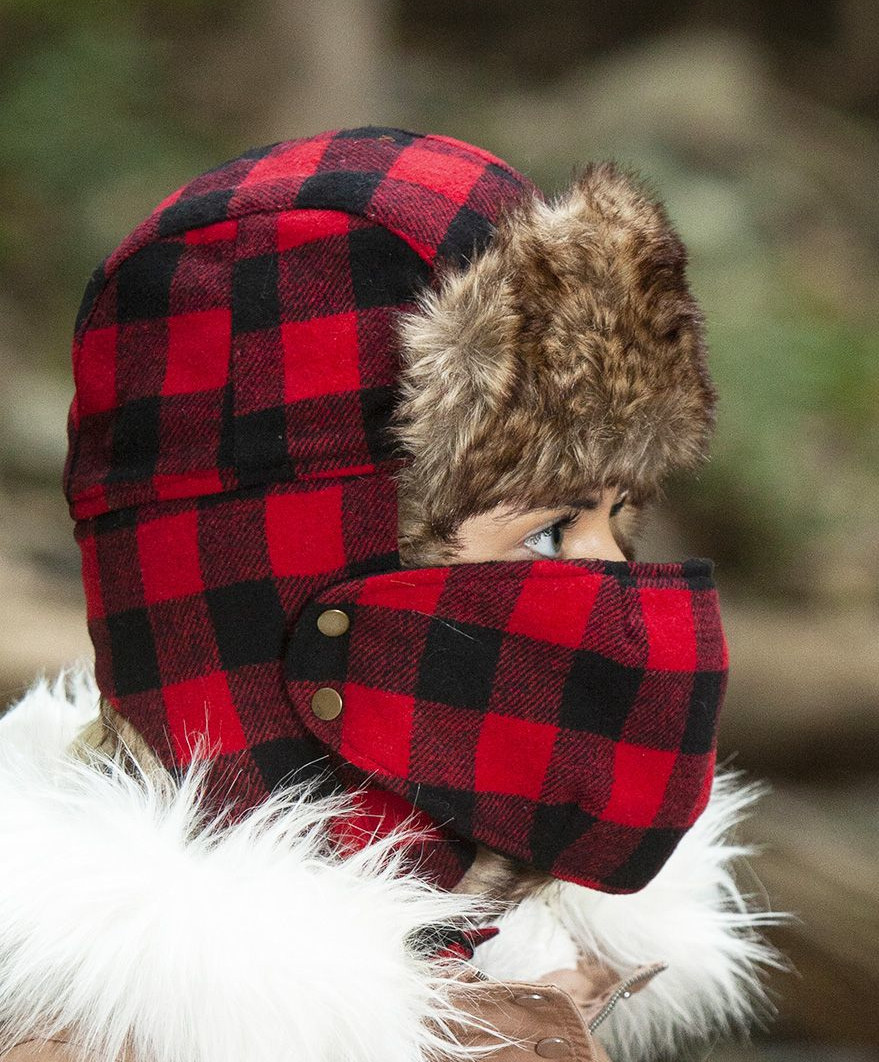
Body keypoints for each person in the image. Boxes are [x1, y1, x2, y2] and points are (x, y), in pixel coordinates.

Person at [0, 127, 777, 1062]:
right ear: (308, 581)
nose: (615, 582)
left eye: (619, 519)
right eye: (545, 530)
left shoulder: (514, 961)